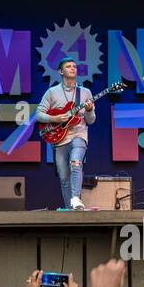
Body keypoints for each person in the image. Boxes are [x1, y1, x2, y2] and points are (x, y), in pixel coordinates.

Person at [34, 57, 96, 211]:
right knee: (63, 178)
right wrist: (54, 118)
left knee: (76, 162)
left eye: (74, 66)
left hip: (79, 135)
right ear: (61, 71)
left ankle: (75, 198)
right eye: (69, 66)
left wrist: (89, 110)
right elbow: (39, 115)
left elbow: (91, 120)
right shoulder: (52, 92)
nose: (73, 68)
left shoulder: (85, 92)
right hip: (60, 139)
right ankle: (71, 209)